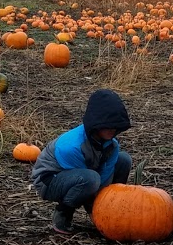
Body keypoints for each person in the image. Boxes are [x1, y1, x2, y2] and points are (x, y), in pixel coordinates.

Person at [31, 89, 132, 235]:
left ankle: (116, 208)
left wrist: (109, 209)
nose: (112, 129)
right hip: (50, 179)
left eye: (115, 126)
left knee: (123, 160)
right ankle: (63, 214)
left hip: (85, 175)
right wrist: (96, 212)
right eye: (108, 125)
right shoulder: (72, 146)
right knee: (91, 179)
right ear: (97, 123)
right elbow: (88, 184)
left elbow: (104, 181)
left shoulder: (112, 145)